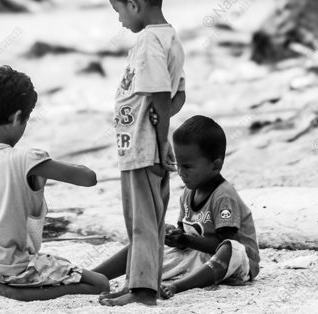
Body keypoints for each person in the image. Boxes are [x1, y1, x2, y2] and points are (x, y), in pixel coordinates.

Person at [0, 66, 109, 301]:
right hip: (10, 270)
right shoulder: (27, 159)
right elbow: (88, 178)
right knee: (101, 283)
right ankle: (12, 292)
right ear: (16, 118)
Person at [96, 0, 186, 306]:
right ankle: (138, 281)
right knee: (144, 219)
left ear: (133, 4)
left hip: (144, 147)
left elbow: (162, 100)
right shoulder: (170, 38)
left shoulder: (150, 41)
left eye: (118, 11)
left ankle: (143, 290)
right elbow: (178, 97)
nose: (119, 19)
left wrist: (161, 142)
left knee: (143, 221)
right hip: (145, 145)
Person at [95, 115, 260, 299]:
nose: (181, 172)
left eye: (188, 167)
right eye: (178, 165)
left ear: (216, 166)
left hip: (236, 261)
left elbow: (224, 243)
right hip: (200, 257)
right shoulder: (187, 194)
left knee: (230, 248)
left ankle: (177, 286)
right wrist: (174, 236)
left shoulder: (223, 196)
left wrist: (186, 240)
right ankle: (96, 276)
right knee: (151, 236)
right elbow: (185, 236)